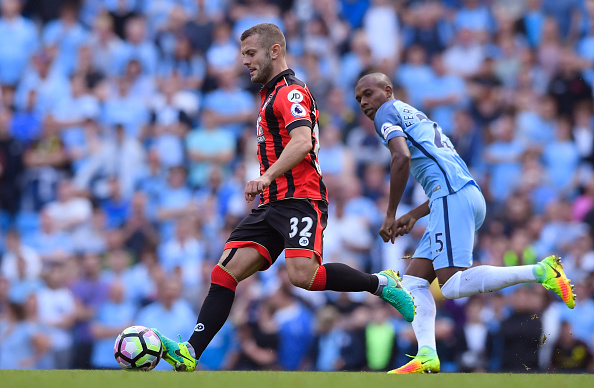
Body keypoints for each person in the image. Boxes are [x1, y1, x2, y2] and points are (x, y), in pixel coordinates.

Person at [152, 23, 415, 372]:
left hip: (301, 199)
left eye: (250, 53)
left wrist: (265, 176)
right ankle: (190, 352)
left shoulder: (290, 91)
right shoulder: (267, 93)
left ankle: (381, 283)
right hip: (272, 203)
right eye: (242, 54)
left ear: (274, 51)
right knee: (223, 274)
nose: (244, 61)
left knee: (302, 275)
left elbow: (302, 141)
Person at [353, 72, 576, 374]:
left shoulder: (386, 112)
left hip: (452, 197)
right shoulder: (415, 114)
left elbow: (401, 158)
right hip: (463, 195)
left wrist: (391, 212)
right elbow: (439, 171)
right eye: (359, 99)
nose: (364, 102)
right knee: (415, 282)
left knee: (452, 285)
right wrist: (414, 215)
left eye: (368, 93)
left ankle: (541, 270)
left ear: (388, 90)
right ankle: (427, 353)